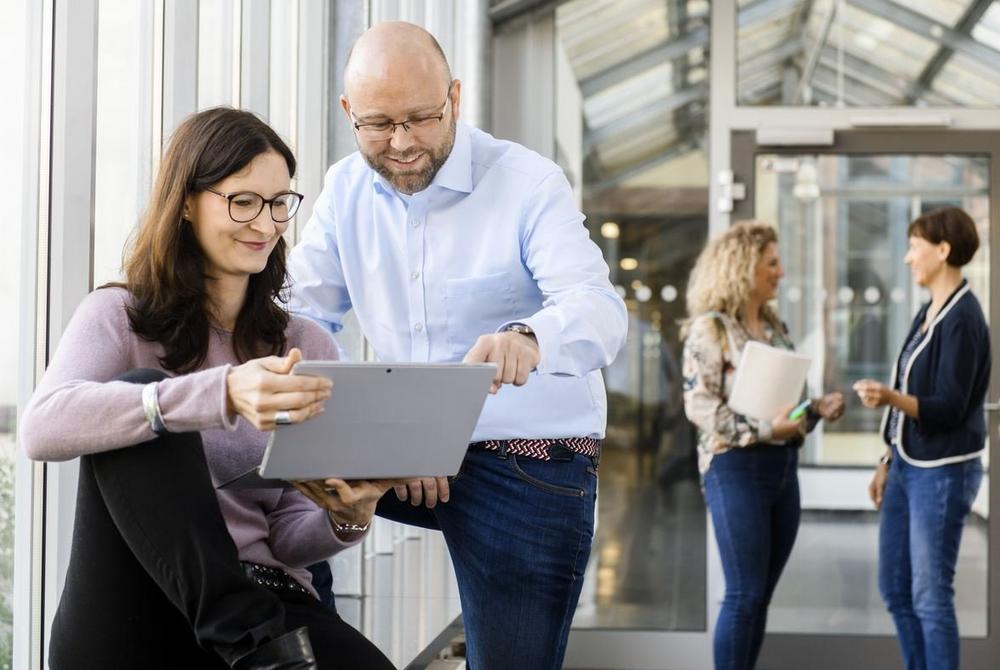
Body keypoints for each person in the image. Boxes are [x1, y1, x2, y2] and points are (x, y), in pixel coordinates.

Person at [287, 21, 627, 670]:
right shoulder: (344, 191)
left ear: (456, 98)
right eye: (379, 124)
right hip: (398, 439)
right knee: (260, 480)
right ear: (347, 113)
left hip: (524, 454)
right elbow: (304, 317)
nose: (404, 143)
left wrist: (531, 337)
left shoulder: (527, 182)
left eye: (422, 118)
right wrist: (397, 436)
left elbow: (599, 311)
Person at [20, 108, 396, 670]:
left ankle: (256, 644)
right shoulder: (118, 316)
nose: (266, 224)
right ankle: (251, 642)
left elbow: (290, 538)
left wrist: (348, 516)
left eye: (279, 203)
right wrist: (220, 394)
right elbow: (41, 428)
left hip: (269, 595)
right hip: (136, 602)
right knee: (143, 396)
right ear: (188, 204)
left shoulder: (305, 343)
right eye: (243, 201)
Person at [681, 221, 844, 670]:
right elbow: (700, 408)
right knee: (744, 594)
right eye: (772, 263)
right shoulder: (710, 331)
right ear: (743, 266)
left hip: (781, 471)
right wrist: (767, 428)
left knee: (760, 596)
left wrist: (815, 408)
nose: (781, 272)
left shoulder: (774, 324)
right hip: (734, 469)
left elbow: (788, 406)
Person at [854, 206, 989, 670]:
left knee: (931, 596)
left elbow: (949, 405)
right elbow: (913, 389)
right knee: (895, 587)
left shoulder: (964, 319)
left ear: (943, 250)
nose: (908, 258)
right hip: (908, 466)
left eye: (915, 247)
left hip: (943, 472)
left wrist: (889, 397)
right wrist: (887, 459)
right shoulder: (926, 311)